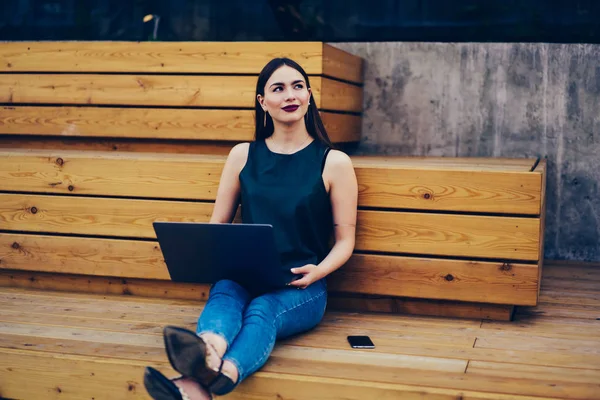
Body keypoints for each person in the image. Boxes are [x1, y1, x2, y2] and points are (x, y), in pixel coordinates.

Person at [143, 57, 358, 400]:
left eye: (298, 86)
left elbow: (345, 241)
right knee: (225, 291)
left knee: (263, 310)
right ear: (262, 102)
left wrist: (318, 272)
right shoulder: (242, 156)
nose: (291, 95)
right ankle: (208, 357)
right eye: (278, 88)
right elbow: (219, 227)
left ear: (309, 95)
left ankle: (212, 376)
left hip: (303, 285)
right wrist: (201, 257)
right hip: (244, 275)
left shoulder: (333, 162)